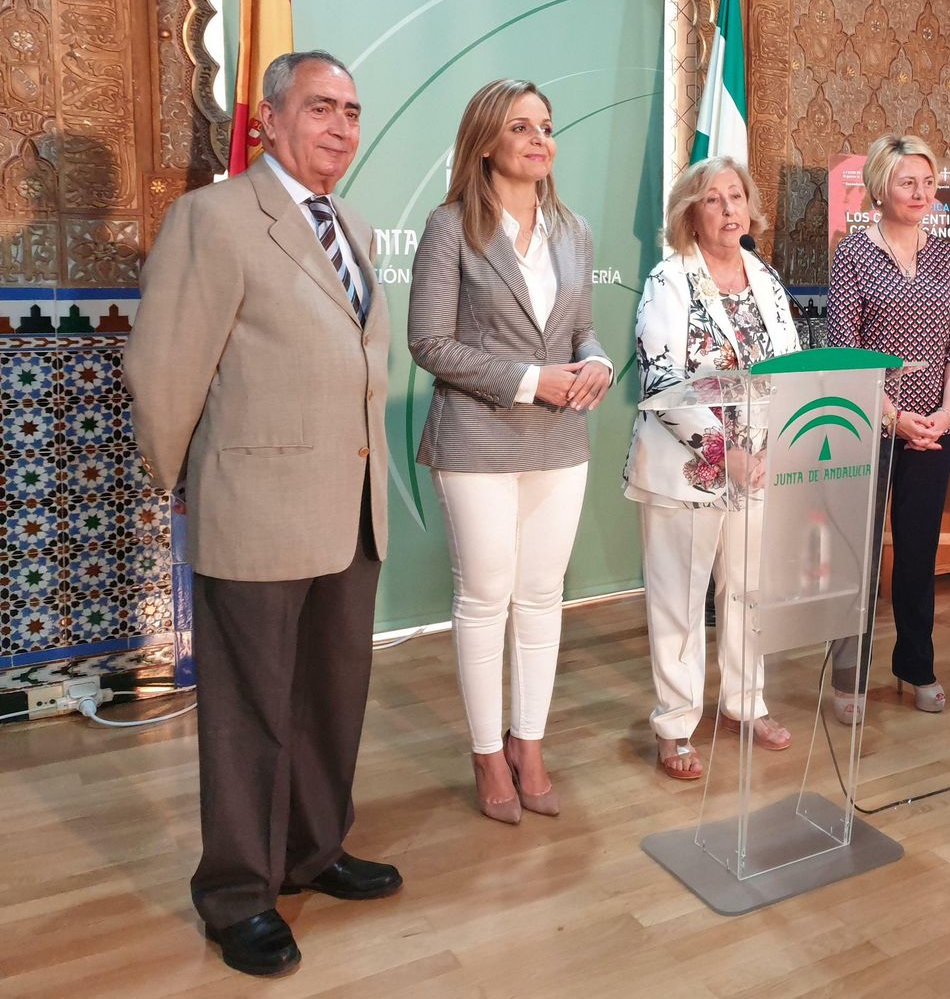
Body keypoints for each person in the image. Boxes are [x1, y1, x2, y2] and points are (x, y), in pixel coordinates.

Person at [125, 50, 398, 978]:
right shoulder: (215, 218)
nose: (341, 127)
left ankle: (312, 853)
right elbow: (163, 372)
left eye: (353, 112)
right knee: (249, 718)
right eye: (321, 107)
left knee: (330, 701)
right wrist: (194, 487)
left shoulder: (353, 224)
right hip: (256, 508)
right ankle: (238, 895)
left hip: (350, 513)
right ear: (269, 119)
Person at [408, 79, 611, 825]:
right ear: (487, 140)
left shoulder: (574, 230)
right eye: (521, 126)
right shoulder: (448, 226)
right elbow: (428, 343)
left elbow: (581, 330)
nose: (538, 138)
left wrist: (597, 364)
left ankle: (530, 743)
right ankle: (487, 752)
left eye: (546, 126)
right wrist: (532, 380)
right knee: (485, 596)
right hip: (477, 436)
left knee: (541, 597)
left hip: (562, 441)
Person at [622, 157, 801, 780]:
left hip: (760, 470)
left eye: (736, 197)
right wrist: (729, 450)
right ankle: (675, 726)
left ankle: (744, 704)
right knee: (679, 598)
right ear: (690, 215)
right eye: (713, 200)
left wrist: (776, 446)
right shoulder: (668, 281)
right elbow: (661, 377)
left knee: (749, 593)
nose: (729, 210)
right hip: (688, 469)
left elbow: (791, 372)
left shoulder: (768, 281)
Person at [827, 133, 950, 722]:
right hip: (870, 425)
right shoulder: (854, 254)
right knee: (856, 555)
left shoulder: (943, 255)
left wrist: (942, 412)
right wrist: (893, 414)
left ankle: (917, 665)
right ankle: (848, 677)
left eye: (928, 183)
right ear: (881, 187)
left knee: (918, 553)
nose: (920, 192)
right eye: (908, 182)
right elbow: (845, 348)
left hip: (936, 427)